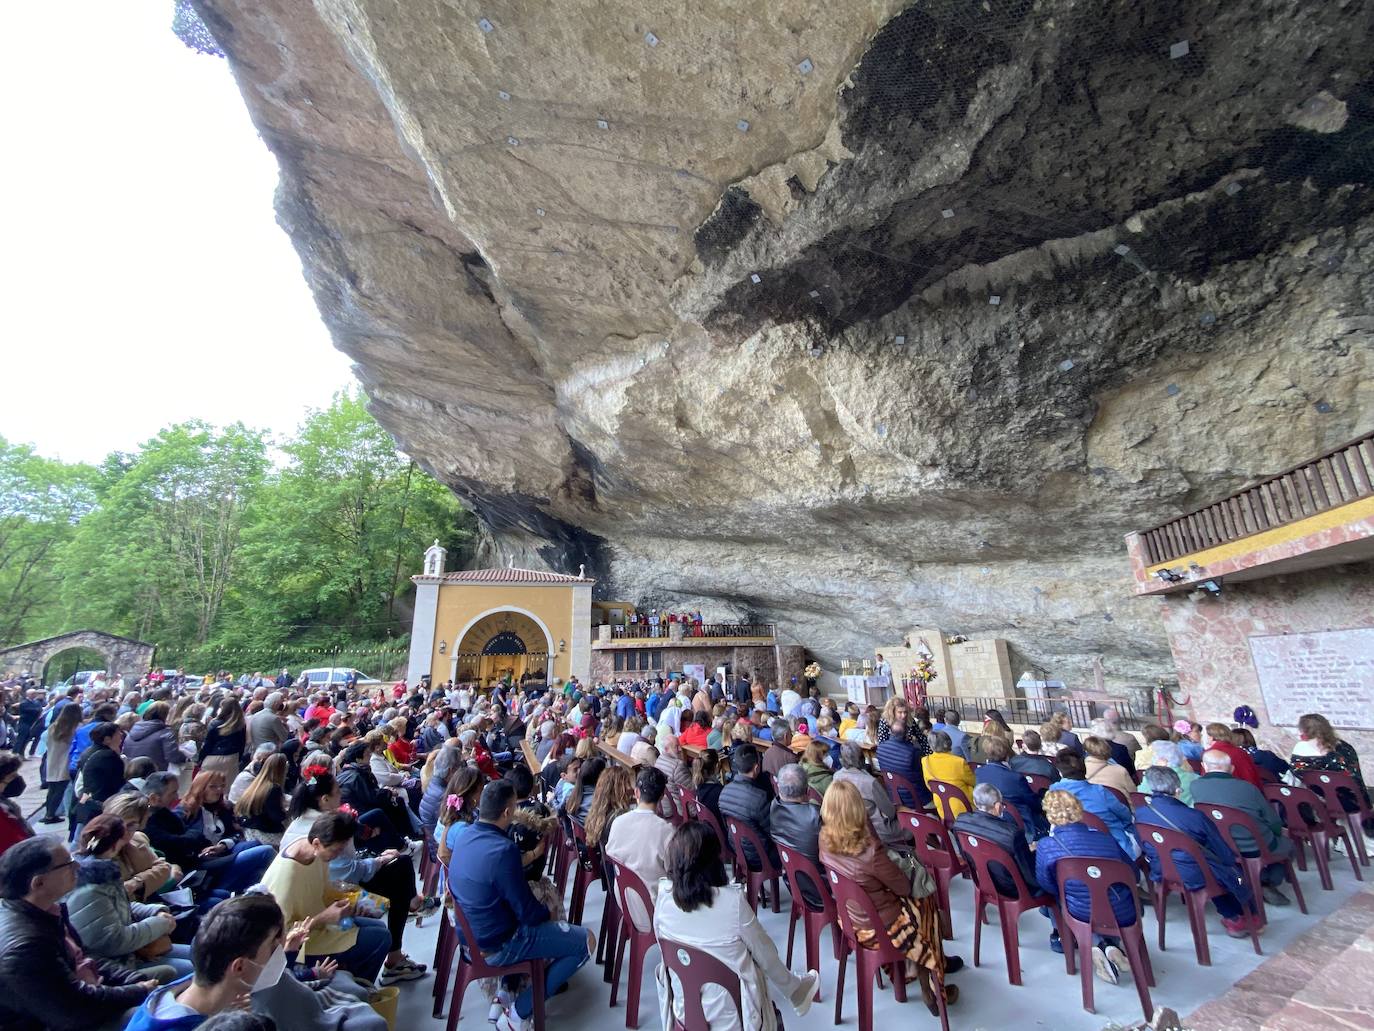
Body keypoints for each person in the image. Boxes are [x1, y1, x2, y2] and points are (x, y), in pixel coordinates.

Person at [450, 780, 593, 1030]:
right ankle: (519, 1012)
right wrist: (550, 915)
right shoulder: (504, 850)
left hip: (470, 938)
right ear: (507, 812)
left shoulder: (465, 835)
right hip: (499, 944)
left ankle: (505, 993)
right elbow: (528, 914)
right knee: (585, 941)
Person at [655, 821, 818, 1030]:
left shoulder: (664, 899)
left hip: (684, 1014)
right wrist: (793, 988)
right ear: (714, 861)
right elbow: (766, 955)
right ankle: (796, 992)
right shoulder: (731, 903)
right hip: (736, 1021)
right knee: (757, 955)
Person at [819, 779, 956, 1013]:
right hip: (884, 928)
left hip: (852, 921)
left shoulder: (823, 839)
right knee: (927, 905)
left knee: (921, 906)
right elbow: (902, 887)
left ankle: (916, 964)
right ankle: (932, 986)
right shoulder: (870, 850)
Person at [282, 771, 428, 981]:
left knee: (397, 867)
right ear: (324, 799)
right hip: (314, 919)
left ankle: (409, 906)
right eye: (337, 791)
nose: (342, 795)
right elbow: (346, 871)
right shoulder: (318, 837)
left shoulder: (306, 824)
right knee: (400, 869)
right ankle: (388, 960)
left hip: (329, 897)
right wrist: (379, 861)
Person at [0, 836, 156, 1030]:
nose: (78, 867)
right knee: (161, 1014)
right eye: (68, 864)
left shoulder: (46, 911)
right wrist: (138, 991)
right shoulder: (24, 947)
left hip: (88, 996)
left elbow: (84, 957)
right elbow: (72, 1011)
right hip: (65, 1020)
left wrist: (132, 981)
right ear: (38, 883)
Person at [259, 811, 392, 983]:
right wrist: (324, 918)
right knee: (381, 939)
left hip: (319, 925)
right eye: (335, 851)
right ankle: (359, 988)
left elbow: (324, 892)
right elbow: (282, 938)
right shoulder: (286, 878)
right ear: (316, 843)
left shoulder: (313, 851)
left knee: (380, 927)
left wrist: (349, 905)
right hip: (301, 945)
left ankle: (359, 984)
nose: (336, 856)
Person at [67, 814, 195, 983]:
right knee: (195, 969)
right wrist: (160, 924)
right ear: (114, 846)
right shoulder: (91, 886)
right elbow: (113, 941)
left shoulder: (102, 873)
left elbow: (122, 905)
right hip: (116, 966)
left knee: (199, 954)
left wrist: (157, 911)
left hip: (132, 952)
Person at [1134, 766, 1255, 938]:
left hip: (1162, 870)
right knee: (1230, 870)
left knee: (1202, 863)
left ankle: (1232, 916)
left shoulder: (1140, 814)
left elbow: (1143, 845)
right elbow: (1224, 853)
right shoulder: (1194, 816)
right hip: (1196, 874)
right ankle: (1243, 917)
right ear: (1178, 790)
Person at [1035, 789, 1137, 985]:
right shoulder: (1105, 838)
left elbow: (1045, 883)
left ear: (1049, 816)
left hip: (1078, 911)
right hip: (1121, 909)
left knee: (1058, 898)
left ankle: (1093, 945)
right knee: (1092, 897)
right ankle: (1111, 946)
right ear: (1079, 810)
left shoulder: (1047, 845)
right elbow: (1132, 872)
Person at [143, 772, 275, 896]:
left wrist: (222, 845)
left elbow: (233, 833)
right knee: (266, 852)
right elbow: (179, 842)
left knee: (255, 846)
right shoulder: (185, 811)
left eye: (221, 786)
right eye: (213, 786)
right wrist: (195, 840)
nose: (219, 790)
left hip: (215, 852)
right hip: (195, 864)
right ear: (201, 788)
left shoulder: (223, 808)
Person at [1189, 749, 1293, 906]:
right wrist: (1278, 833)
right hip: (1255, 845)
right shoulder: (1248, 788)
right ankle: (1266, 881)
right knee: (1289, 845)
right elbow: (1273, 822)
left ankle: (1248, 878)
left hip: (1219, 846)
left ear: (1204, 766)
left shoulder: (1194, 786)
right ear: (1231, 768)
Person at [606, 767, 675, 930]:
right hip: (656, 912)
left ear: (636, 793)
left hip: (623, 902)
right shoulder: (667, 831)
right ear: (663, 796)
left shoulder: (617, 822)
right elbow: (675, 873)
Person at [1289, 713, 1373, 834]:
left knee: (1299, 789)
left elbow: (1298, 773)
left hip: (1326, 803)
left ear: (1304, 731)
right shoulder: (1345, 748)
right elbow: (1355, 777)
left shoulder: (1301, 750)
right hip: (1357, 800)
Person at [952, 783, 1039, 897]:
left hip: (983, 880)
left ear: (974, 801)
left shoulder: (960, 822)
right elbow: (1029, 876)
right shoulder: (1012, 834)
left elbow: (965, 855)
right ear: (998, 806)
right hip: (1014, 889)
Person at [1049, 751, 1139, 859]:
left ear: (1059, 772)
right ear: (1084, 769)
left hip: (1074, 852)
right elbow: (1126, 817)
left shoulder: (1052, 794)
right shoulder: (1100, 792)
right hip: (1116, 852)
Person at [719, 745, 780, 873]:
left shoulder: (724, 791)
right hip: (759, 856)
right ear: (757, 767)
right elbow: (773, 833)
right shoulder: (760, 798)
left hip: (736, 847)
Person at [974, 735, 1048, 838]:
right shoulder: (1015, 778)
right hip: (1021, 825)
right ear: (1006, 753)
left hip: (992, 821)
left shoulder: (979, 772)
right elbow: (1034, 803)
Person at [72, 721, 128, 829]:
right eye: (117, 733)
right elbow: (118, 781)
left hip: (88, 802)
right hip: (100, 804)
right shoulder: (108, 756)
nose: (121, 735)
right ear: (107, 739)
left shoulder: (91, 751)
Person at [235, 754, 289, 848]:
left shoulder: (258, 783)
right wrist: (287, 813)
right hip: (262, 832)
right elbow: (276, 816)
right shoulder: (274, 788)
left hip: (249, 829)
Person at [41, 700, 82, 824]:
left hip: (52, 759)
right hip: (65, 761)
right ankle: (51, 815)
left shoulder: (54, 726)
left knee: (52, 789)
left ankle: (48, 813)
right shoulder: (75, 728)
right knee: (60, 790)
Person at [875, 720, 930, 808]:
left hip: (894, 796)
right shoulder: (913, 752)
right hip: (915, 799)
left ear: (890, 732)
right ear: (907, 734)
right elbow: (922, 776)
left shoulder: (880, 748)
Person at [922, 730, 975, 821]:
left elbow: (930, 786)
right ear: (948, 743)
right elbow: (974, 782)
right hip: (964, 807)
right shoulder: (959, 762)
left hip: (942, 807)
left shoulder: (925, 761)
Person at [198, 699, 248, 780]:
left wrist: (200, 759)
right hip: (232, 758)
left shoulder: (215, 723)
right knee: (226, 787)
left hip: (213, 757)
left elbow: (208, 744)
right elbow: (241, 744)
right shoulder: (240, 724)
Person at [125, 702, 182, 772]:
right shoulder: (165, 733)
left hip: (133, 774)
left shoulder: (130, 733)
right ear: (166, 716)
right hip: (156, 776)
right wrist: (185, 755)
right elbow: (174, 757)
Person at [1202, 723, 1263, 789]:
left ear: (1211, 737)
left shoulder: (1208, 754)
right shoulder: (1241, 752)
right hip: (1245, 792)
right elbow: (1252, 777)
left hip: (1216, 793)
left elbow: (1205, 779)